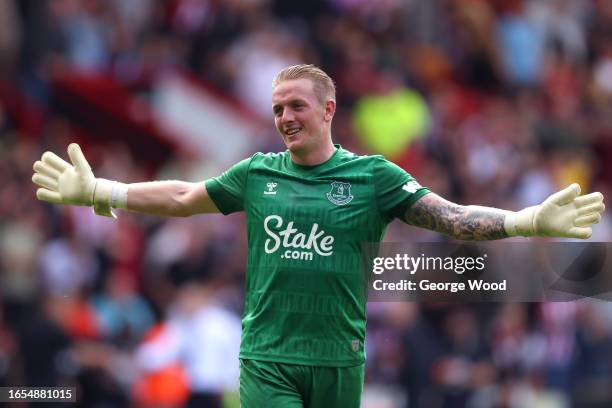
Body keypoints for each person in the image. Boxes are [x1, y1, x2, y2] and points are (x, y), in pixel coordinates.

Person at [32, 64, 605, 407]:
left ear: (328, 110)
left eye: (297, 106)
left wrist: (526, 221)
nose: (285, 117)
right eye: (278, 108)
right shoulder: (257, 173)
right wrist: (104, 191)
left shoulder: (373, 176)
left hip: (338, 359)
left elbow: (448, 215)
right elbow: (185, 197)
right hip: (269, 356)